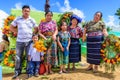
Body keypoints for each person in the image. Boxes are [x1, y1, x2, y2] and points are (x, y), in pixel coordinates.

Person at [10, 5, 38, 79]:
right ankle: (17, 73)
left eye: (28, 11)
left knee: (28, 57)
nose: (26, 12)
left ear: (29, 12)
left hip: (29, 41)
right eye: (25, 11)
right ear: (22, 11)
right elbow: (11, 27)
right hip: (19, 41)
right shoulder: (18, 18)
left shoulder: (32, 19)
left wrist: (33, 34)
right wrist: (17, 31)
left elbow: (36, 28)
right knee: (18, 58)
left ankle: (29, 72)